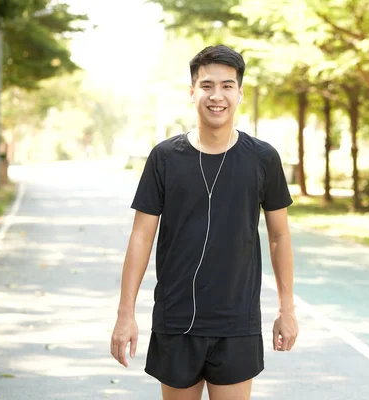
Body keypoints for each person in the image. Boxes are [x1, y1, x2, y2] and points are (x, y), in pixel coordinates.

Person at [110, 45, 298, 400]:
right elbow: (140, 238)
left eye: (227, 86)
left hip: (237, 323)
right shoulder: (164, 157)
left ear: (240, 93)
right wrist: (125, 315)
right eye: (207, 85)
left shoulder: (262, 158)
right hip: (177, 320)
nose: (217, 96)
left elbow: (279, 236)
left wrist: (286, 311)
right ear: (192, 92)